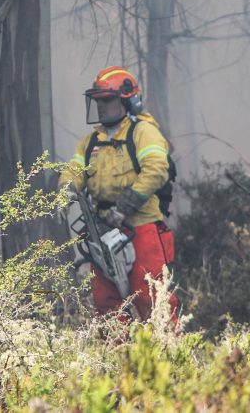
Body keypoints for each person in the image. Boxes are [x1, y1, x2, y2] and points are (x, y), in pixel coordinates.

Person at [64, 66, 179, 322]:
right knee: (106, 302)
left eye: (107, 100)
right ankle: (117, 347)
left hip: (141, 227)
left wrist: (125, 207)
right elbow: (74, 171)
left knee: (151, 296)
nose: (101, 106)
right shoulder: (91, 141)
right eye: (97, 101)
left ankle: (167, 345)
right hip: (103, 231)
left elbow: (156, 170)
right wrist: (66, 192)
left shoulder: (143, 132)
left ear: (126, 100)